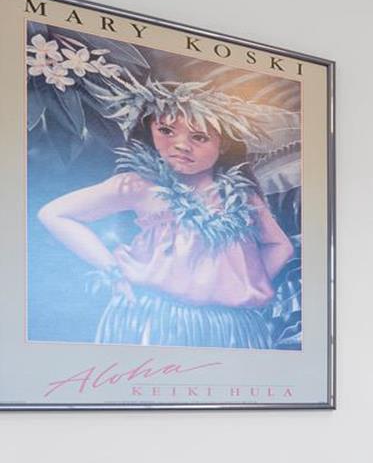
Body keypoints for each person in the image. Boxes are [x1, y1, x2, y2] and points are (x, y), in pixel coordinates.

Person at [37, 91, 295, 351]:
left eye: (199, 137)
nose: (181, 145)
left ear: (224, 144)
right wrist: (111, 269)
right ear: (150, 130)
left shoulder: (240, 195)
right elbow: (55, 213)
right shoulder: (140, 186)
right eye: (166, 131)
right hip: (157, 316)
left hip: (231, 325)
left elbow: (279, 245)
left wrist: (243, 282)